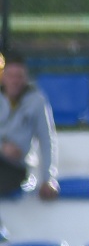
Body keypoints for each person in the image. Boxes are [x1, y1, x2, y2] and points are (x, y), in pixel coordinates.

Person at [0, 55, 58, 202]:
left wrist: (48, 178)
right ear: (3, 77)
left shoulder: (37, 101)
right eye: (10, 76)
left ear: (26, 78)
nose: (15, 81)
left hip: (15, 168)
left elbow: (46, 140)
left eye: (19, 76)